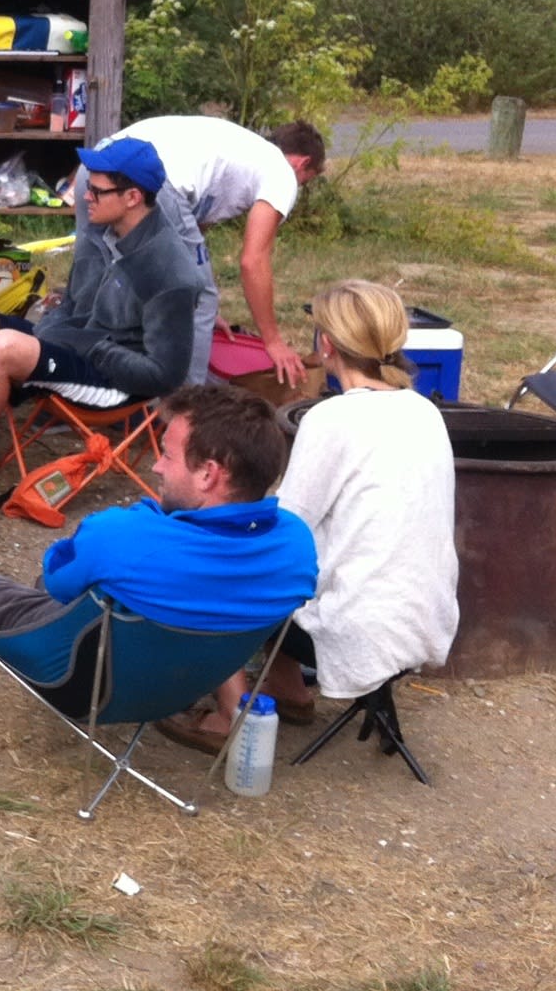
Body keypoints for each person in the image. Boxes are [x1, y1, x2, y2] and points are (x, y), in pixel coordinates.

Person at [158, 281, 459, 753]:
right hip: (426, 616)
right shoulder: (426, 412)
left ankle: (230, 717)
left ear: (327, 345)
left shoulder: (333, 419)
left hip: (358, 625)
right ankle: (289, 691)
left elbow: (285, 530)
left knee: (228, 570)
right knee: (305, 556)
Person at [0, 383, 317, 697]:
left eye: (168, 455)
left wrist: (147, 520)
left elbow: (57, 577)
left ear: (208, 474)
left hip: (78, 683)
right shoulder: (296, 546)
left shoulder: (127, 537)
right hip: (177, 685)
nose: (157, 467)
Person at [0, 136, 203, 488]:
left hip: (111, 377)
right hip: (70, 342)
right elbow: (73, 305)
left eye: (96, 191)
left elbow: (164, 376)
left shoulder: (170, 273)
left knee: (3, 348)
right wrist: (54, 328)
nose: (84, 196)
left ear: (132, 197)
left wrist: (90, 346)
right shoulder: (103, 233)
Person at [82, 116, 326, 385]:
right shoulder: (281, 172)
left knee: (108, 283)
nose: (299, 186)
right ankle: (187, 409)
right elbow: (253, 261)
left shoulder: (242, 154)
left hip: (96, 169)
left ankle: (93, 385)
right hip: (149, 179)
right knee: (199, 298)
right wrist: (273, 341)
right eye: (305, 180)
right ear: (302, 163)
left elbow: (190, 230)